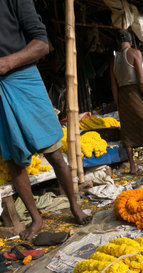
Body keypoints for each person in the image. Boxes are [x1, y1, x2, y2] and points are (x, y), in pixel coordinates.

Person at [0, 0, 90, 240]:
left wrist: (7, 62)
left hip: (24, 79)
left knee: (54, 153)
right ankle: (36, 218)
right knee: (15, 161)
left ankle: (74, 205)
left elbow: (42, 45)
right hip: (1, 91)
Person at [110, 29, 143, 175]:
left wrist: (118, 103)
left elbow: (113, 85)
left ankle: (132, 166)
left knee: (127, 131)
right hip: (135, 92)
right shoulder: (135, 53)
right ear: (130, 41)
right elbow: (142, 81)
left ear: (118, 42)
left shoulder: (114, 59)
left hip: (122, 95)